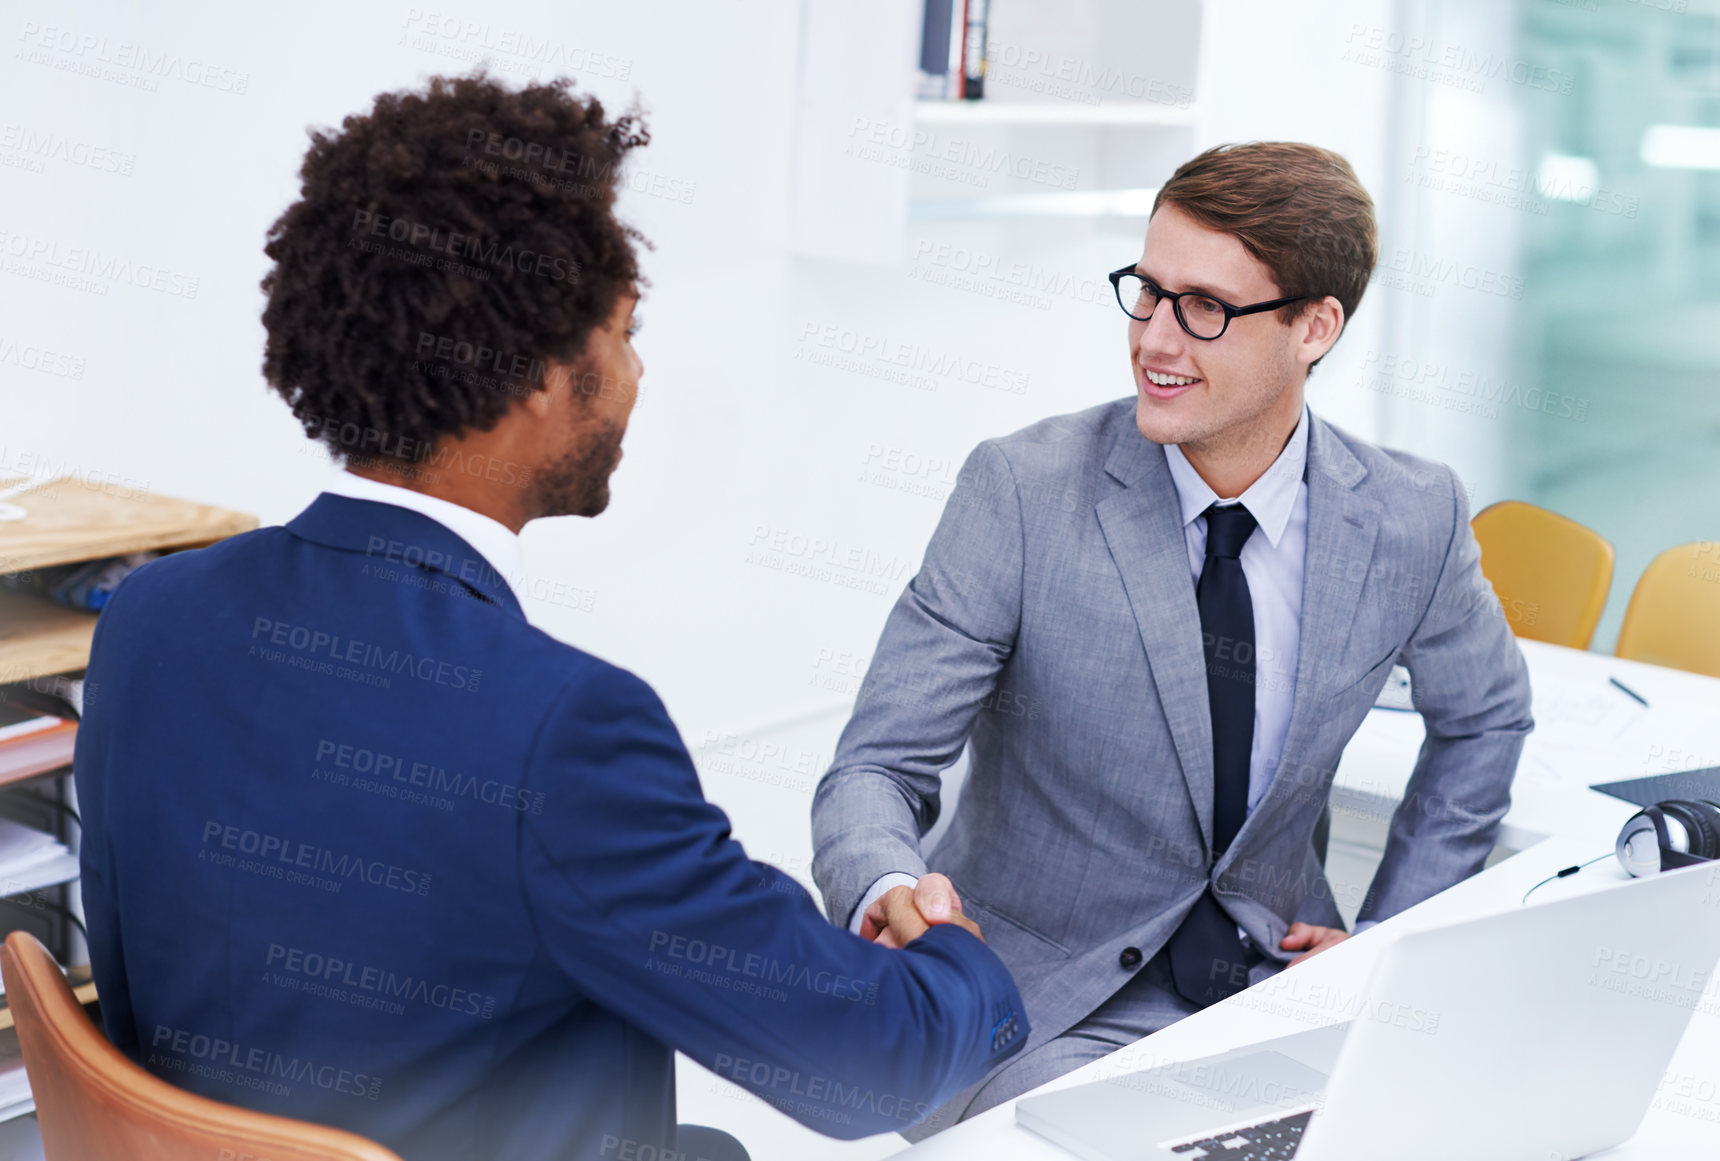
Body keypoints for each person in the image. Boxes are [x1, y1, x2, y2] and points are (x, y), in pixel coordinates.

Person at [73, 71, 1026, 1161]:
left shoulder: (150, 614)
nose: (632, 376)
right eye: (622, 333)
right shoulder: (558, 732)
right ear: (534, 377)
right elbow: (869, 1066)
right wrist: (953, 953)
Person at [810, 141, 1534, 1137]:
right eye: (1145, 292)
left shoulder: (1411, 516)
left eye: (1203, 307)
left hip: (1276, 994)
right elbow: (876, 767)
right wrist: (892, 886)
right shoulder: (1022, 491)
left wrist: (1386, 944)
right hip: (1035, 1011)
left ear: (1313, 327)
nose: (1154, 338)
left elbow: (1486, 719)